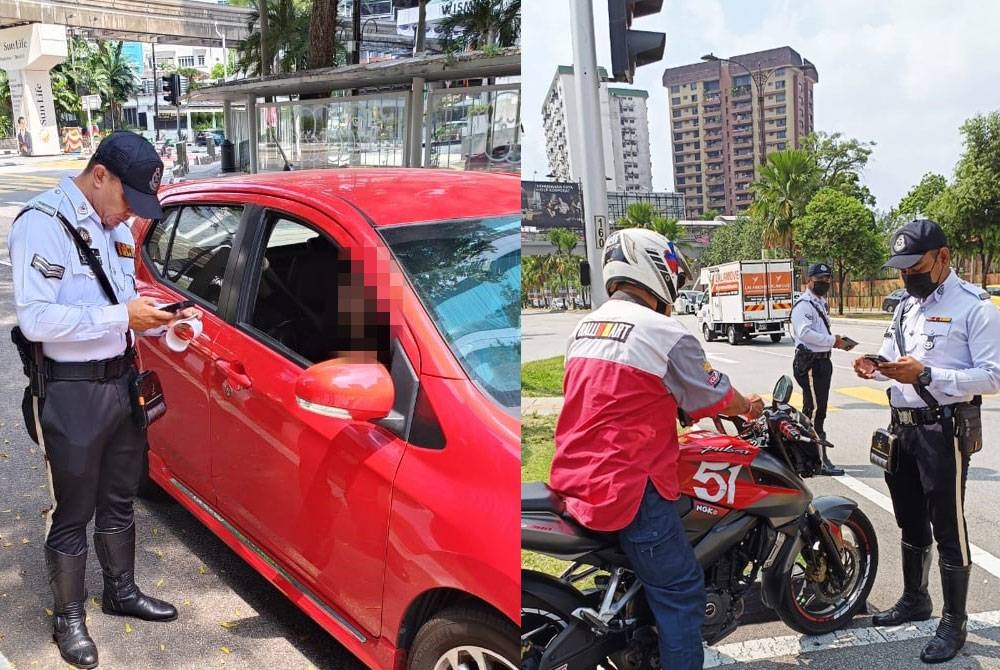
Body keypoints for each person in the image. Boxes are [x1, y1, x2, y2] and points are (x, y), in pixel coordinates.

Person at [8, 130, 198, 669]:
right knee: (73, 508)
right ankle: (69, 617)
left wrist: (159, 321)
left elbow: (122, 301)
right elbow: (37, 320)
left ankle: (121, 591)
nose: (130, 213)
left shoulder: (112, 226)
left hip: (121, 382)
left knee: (119, 497)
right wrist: (122, 316)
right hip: (71, 390)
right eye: (128, 199)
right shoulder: (43, 224)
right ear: (99, 176)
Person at [549, 228, 765, 670]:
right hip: (628, 486)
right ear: (652, 269)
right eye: (672, 272)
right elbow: (714, 394)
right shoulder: (663, 331)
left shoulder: (585, 326)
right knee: (681, 591)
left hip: (574, 476)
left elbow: (617, 395)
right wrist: (748, 407)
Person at [853, 219, 1000, 664]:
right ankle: (916, 598)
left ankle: (954, 622)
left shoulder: (975, 307)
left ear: (943, 257)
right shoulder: (905, 308)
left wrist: (929, 374)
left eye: (915, 268)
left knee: (948, 525)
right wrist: (874, 365)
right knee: (909, 519)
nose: (907, 277)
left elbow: (993, 376)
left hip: (942, 429)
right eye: (901, 270)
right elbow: (893, 357)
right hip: (902, 428)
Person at [790, 262, 853, 476]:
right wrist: (833, 340)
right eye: (820, 279)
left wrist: (835, 342)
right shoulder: (804, 305)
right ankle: (819, 460)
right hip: (811, 363)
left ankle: (807, 456)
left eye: (827, 279)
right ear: (809, 280)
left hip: (822, 362)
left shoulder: (820, 302)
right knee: (817, 411)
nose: (825, 282)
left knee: (813, 409)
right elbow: (804, 333)